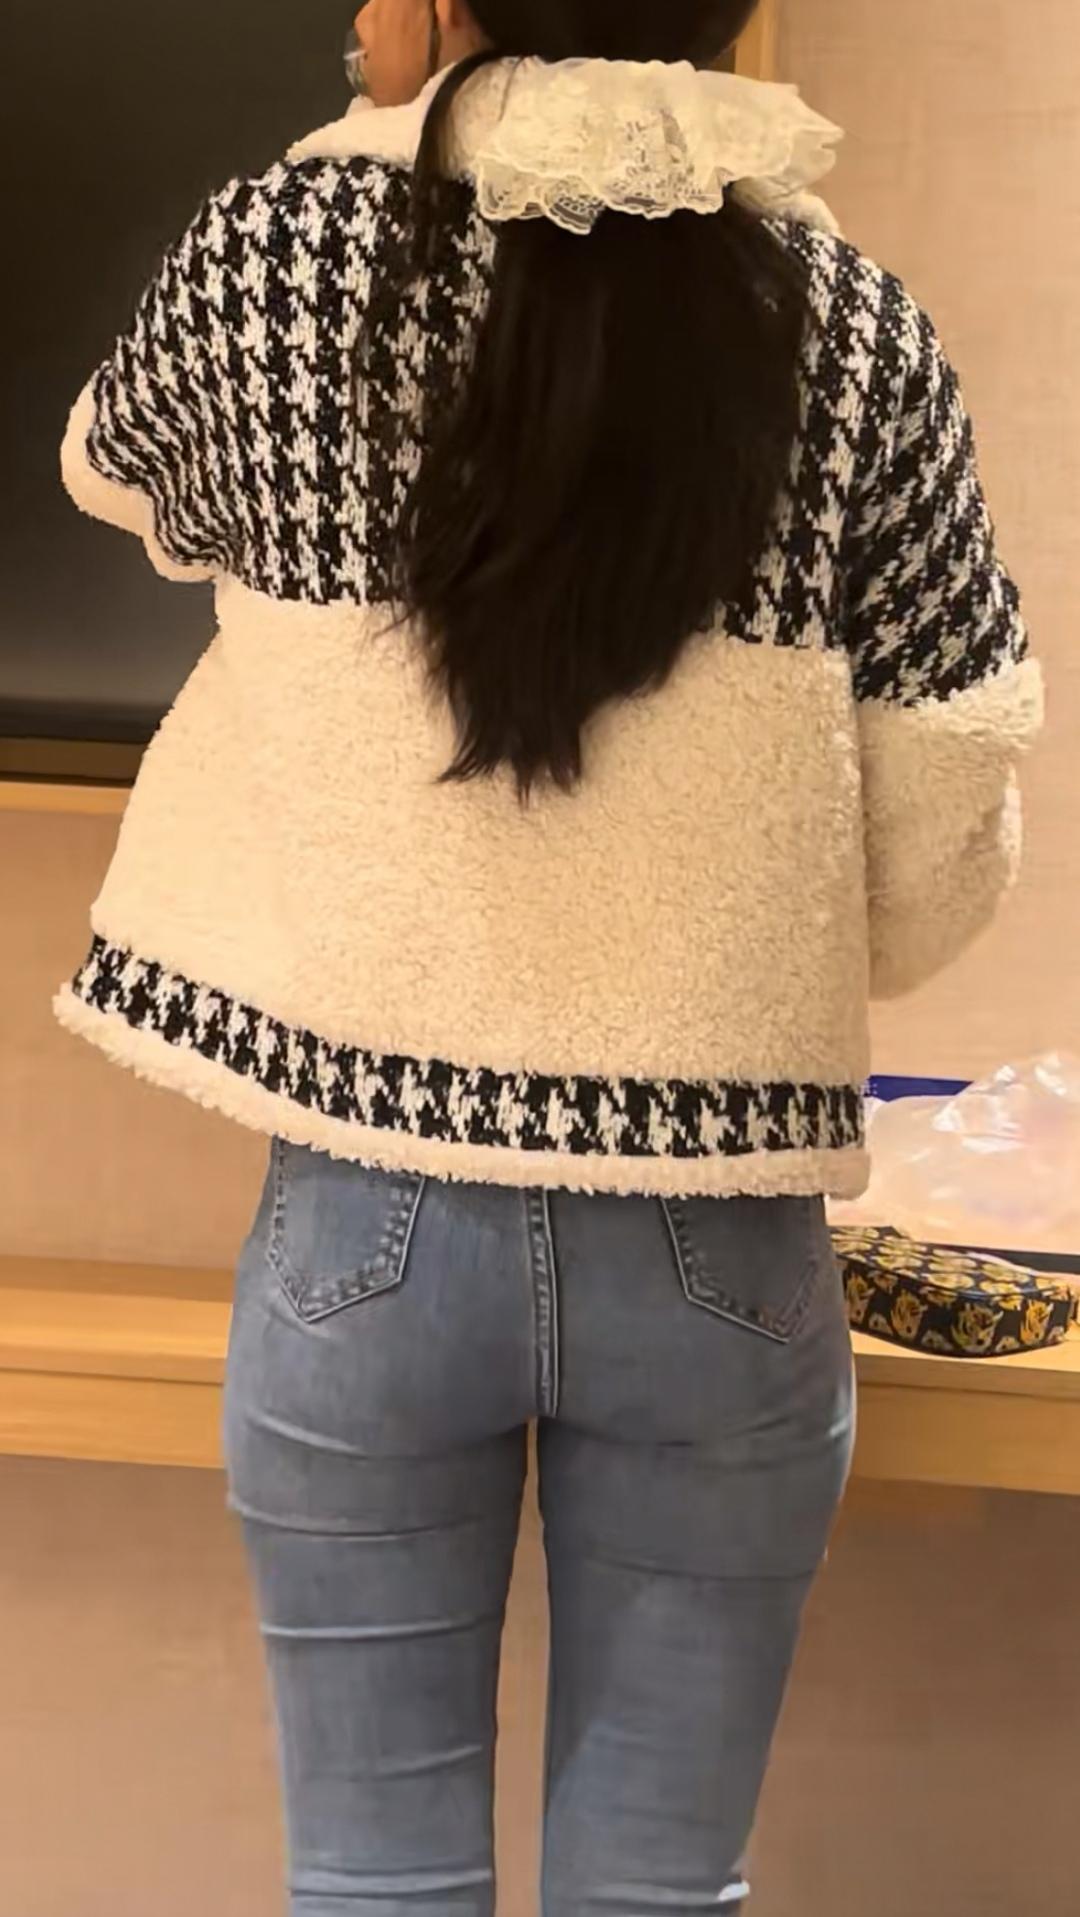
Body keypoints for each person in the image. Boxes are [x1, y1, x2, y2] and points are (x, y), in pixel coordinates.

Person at [57, 1, 1041, 1910]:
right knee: (664, 1889)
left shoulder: (274, 255)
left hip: (368, 1220)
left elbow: (120, 469)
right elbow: (939, 839)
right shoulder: (853, 327)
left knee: (371, 1881)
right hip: (719, 1233)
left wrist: (394, 152)